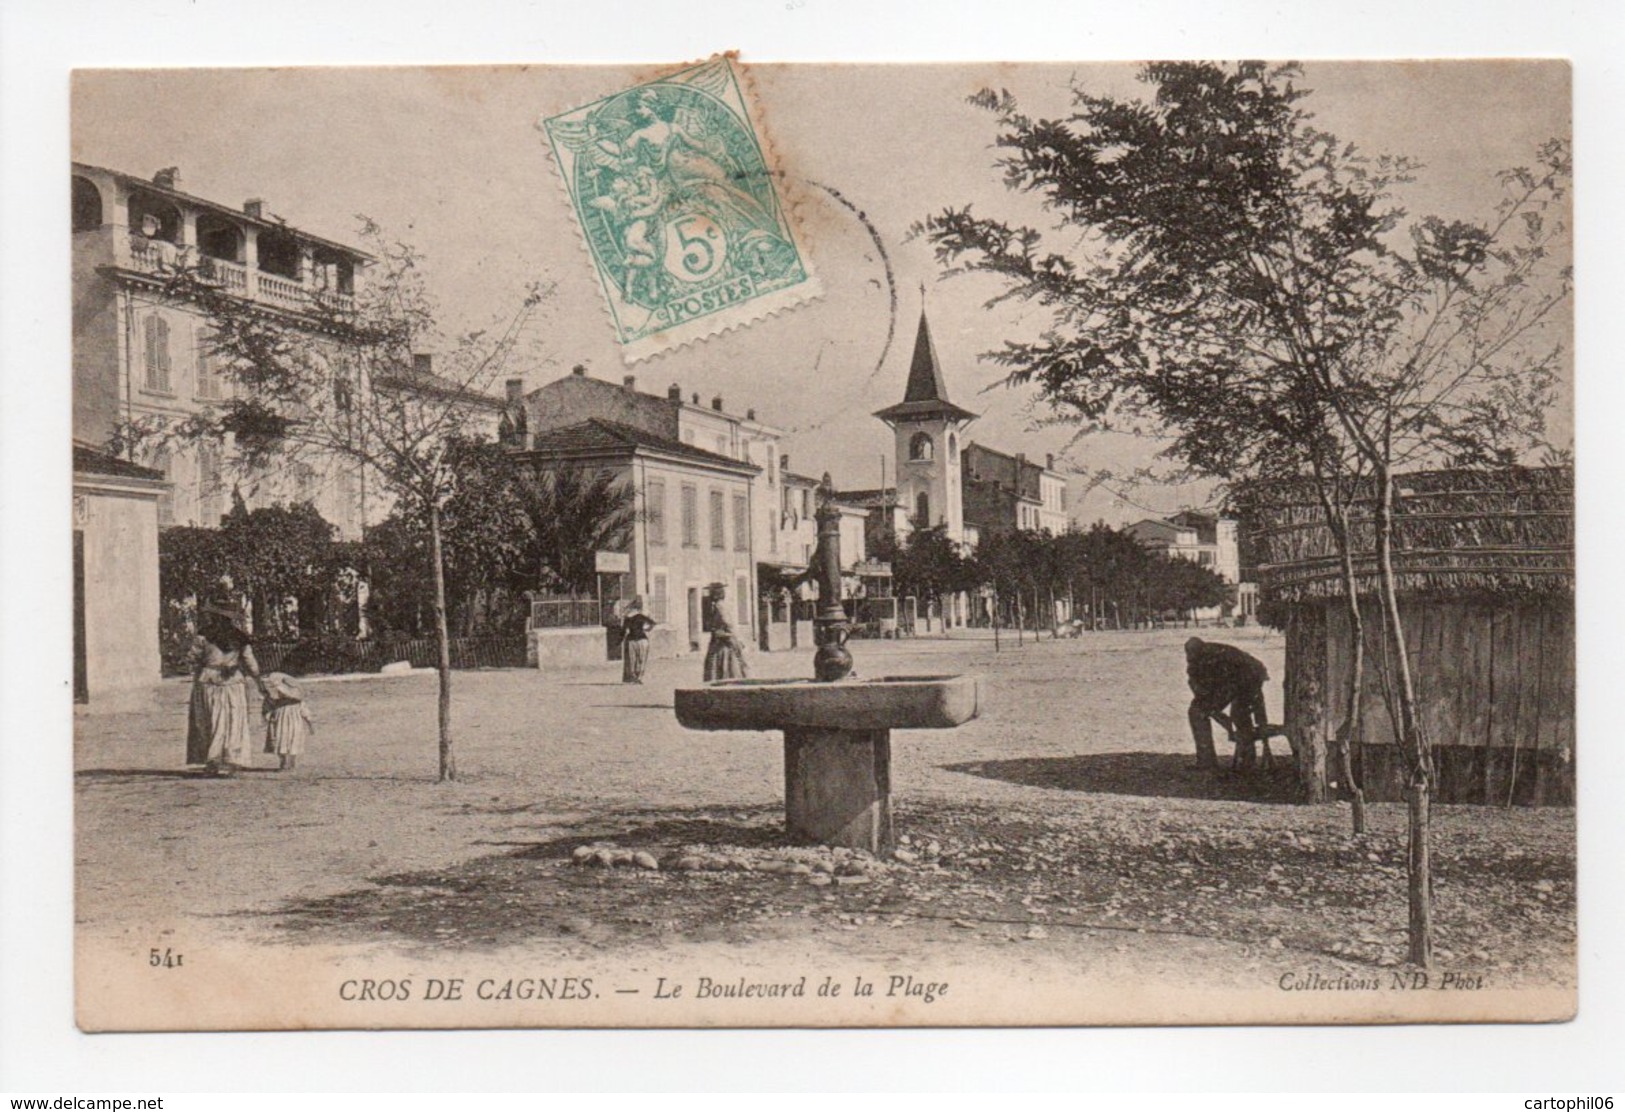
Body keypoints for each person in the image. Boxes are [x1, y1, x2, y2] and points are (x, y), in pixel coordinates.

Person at [186, 600, 265, 776]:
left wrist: (205, 664)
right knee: (233, 721)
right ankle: (232, 760)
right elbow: (250, 662)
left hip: (208, 681)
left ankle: (212, 761)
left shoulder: (203, 636)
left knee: (210, 720)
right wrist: (258, 681)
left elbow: (192, 658)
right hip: (233, 682)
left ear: (214, 617)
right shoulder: (240, 637)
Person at [1185, 637, 1270, 772]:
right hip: (1245, 674)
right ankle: (1211, 760)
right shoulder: (1197, 665)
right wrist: (1224, 720)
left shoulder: (1210, 660)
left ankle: (1244, 761)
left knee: (1237, 714)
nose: (1189, 657)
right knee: (1199, 711)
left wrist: (1226, 722)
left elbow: (1210, 698)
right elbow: (1206, 699)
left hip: (1248, 676)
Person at [261, 672, 314, 771]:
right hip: (280, 724)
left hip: (292, 725)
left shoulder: (297, 702)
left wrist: (310, 724)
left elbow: (305, 713)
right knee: (281, 742)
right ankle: (284, 762)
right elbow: (266, 709)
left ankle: (290, 761)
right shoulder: (275, 701)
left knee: (291, 742)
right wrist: (267, 717)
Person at [702, 583, 748, 682]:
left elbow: (727, 623)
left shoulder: (720, 606)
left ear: (715, 594)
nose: (709, 595)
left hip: (722, 644)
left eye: (711, 592)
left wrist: (729, 636)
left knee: (723, 666)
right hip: (720, 641)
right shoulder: (719, 606)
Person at [620, 597, 656, 684]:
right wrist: (646, 629)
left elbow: (623, 631)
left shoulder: (627, 618)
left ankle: (633, 677)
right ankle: (639, 677)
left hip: (631, 640)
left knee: (631, 659)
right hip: (642, 640)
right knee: (641, 659)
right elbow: (653, 623)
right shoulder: (642, 616)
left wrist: (620, 640)